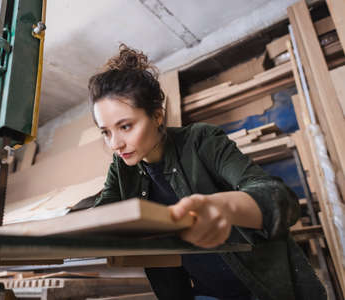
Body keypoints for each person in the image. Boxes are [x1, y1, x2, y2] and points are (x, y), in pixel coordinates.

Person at [88, 44, 326, 300]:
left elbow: (280, 198)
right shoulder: (122, 168)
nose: (115, 144)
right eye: (106, 132)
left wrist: (223, 208)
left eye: (125, 127)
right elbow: (102, 218)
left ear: (157, 116)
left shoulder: (201, 140)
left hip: (264, 289)